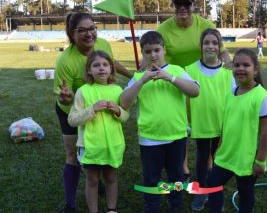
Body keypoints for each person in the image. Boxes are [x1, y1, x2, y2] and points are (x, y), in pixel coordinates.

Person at [53, 12, 132, 212]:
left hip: (96, 106)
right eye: (83, 30)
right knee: (73, 155)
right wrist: (67, 98)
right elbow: (66, 99)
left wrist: (133, 75)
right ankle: (70, 202)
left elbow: (113, 63)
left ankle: (102, 186)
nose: (89, 34)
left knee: (103, 154)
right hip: (74, 105)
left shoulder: (103, 44)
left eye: (92, 28)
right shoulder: (66, 60)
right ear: (73, 34)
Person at [120, 31, 199, 213]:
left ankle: (176, 206)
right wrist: (141, 82)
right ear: (142, 53)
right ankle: (152, 207)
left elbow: (195, 91)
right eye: (148, 52)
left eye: (157, 50)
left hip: (176, 136)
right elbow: (124, 102)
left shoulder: (177, 71)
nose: (153, 55)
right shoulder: (139, 77)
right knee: (151, 179)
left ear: (164, 50)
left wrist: (169, 78)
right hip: (149, 138)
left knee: (176, 177)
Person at [157, 0, 231, 180]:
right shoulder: (163, 29)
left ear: (193, 5)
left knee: (203, 123)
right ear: (172, 5)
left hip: (202, 78)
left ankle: (206, 168)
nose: (182, 8)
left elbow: (221, 50)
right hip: (175, 82)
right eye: (178, 4)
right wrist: (142, 70)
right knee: (182, 124)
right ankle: (184, 168)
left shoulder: (204, 25)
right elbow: (154, 52)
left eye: (186, 4)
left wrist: (231, 67)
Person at [207, 48, 267, 213]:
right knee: (213, 183)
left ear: (255, 69)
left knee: (245, 193)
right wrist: (219, 145)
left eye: (246, 65)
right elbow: (227, 122)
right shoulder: (231, 93)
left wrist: (260, 160)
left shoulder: (263, 97)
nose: (240, 69)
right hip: (227, 154)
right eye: (237, 65)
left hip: (247, 158)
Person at [67, 50, 128, 213]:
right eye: (96, 65)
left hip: (113, 145)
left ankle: (112, 209)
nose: (101, 68)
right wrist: (92, 109)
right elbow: (72, 120)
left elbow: (125, 116)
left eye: (105, 65)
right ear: (89, 70)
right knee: (92, 180)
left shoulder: (117, 90)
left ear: (111, 69)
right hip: (90, 146)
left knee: (111, 178)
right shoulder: (83, 91)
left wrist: (118, 110)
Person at [185, 29, 234, 211]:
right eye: (207, 42)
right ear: (201, 46)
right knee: (202, 157)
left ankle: (213, 194)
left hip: (223, 124)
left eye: (215, 43)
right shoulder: (190, 69)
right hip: (201, 123)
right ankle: (202, 192)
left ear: (220, 46)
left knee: (217, 160)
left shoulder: (228, 71)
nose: (211, 46)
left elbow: (235, 98)